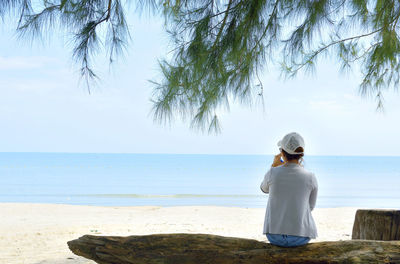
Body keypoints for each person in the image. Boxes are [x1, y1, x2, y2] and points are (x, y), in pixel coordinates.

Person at [260, 132, 318, 247]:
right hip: (300, 237)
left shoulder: (272, 172)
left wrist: (274, 166)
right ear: (301, 155)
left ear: (282, 152)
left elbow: (264, 189)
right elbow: (310, 207)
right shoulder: (310, 177)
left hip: (274, 236)